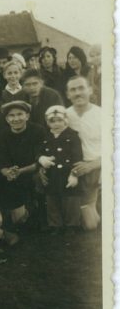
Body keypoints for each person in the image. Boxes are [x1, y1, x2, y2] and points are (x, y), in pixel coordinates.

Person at [0, 101, 46, 226]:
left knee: (40, 179)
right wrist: (7, 172)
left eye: (20, 114)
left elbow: (40, 159)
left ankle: (40, 211)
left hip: (33, 173)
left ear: (27, 116)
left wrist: (21, 171)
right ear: (7, 119)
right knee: (18, 221)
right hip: (12, 177)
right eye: (11, 116)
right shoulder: (2, 134)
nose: (16, 119)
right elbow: (1, 161)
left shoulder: (38, 131)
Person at [37, 106, 82, 233]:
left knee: (70, 199)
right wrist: (41, 158)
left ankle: (72, 225)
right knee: (52, 199)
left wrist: (74, 174)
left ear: (65, 121)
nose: (56, 124)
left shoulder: (72, 135)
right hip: (52, 173)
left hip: (68, 173)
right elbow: (38, 152)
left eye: (59, 120)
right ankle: (55, 225)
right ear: (47, 122)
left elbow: (77, 157)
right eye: (52, 121)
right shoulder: (46, 137)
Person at [65, 75, 101, 230]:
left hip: (97, 169)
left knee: (89, 225)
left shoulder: (103, 114)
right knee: (74, 220)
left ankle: (98, 203)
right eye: (73, 89)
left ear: (90, 90)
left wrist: (93, 165)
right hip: (70, 170)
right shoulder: (64, 115)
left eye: (81, 88)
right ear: (68, 94)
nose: (78, 93)